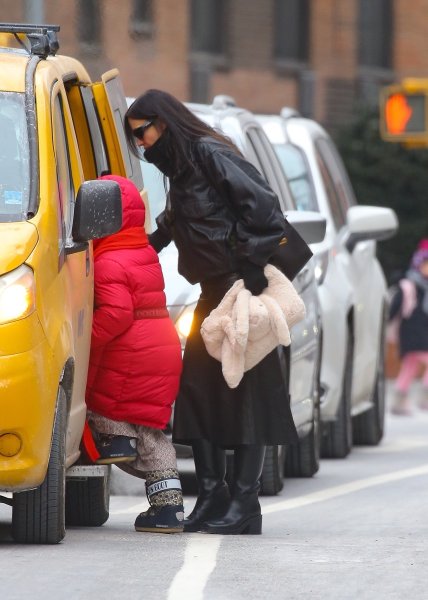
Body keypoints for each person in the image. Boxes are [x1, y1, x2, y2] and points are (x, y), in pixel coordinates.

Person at [124, 90, 298, 536]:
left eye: (142, 133)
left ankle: (244, 504)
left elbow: (263, 206)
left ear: (163, 122)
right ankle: (213, 496)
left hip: (239, 290)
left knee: (248, 395)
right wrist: (141, 248)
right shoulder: (184, 169)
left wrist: (253, 266)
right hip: (211, 294)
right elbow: (177, 220)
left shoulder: (209, 151)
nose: (141, 145)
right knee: (198, 395)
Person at [85, 174, 184, 533]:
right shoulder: (142, 250)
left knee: (97, 402)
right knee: (151, 432)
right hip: (160, 346)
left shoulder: (109, 259)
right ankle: (169, 508)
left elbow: (115, 314)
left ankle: (117, 439)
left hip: (132, 350)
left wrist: (84, 339)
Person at [389, 239, 428, 415]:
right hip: (412, 335)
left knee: (409, 368)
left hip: (421, 334)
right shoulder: (409, 285)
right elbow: (394, 308)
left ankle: (399, 400)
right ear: (418, 264)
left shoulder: (425, 288)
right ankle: (424, 396)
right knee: (411, 366)